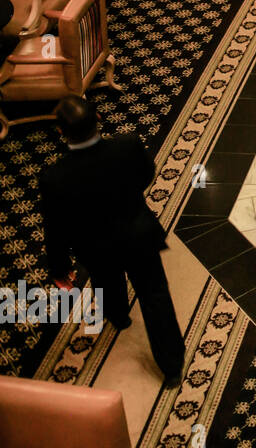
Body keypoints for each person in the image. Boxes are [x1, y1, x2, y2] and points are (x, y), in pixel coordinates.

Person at [41, 97, 186, 390]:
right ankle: (171, 367)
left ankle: (119, 317)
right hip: (137, 236)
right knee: (155, 296)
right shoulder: (128, 145)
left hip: (95, 247)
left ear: (60, 132)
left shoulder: (53, 177)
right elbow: (146, 174)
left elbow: (55, 227)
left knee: (106, 283)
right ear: (98, 118)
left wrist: (59, 267)